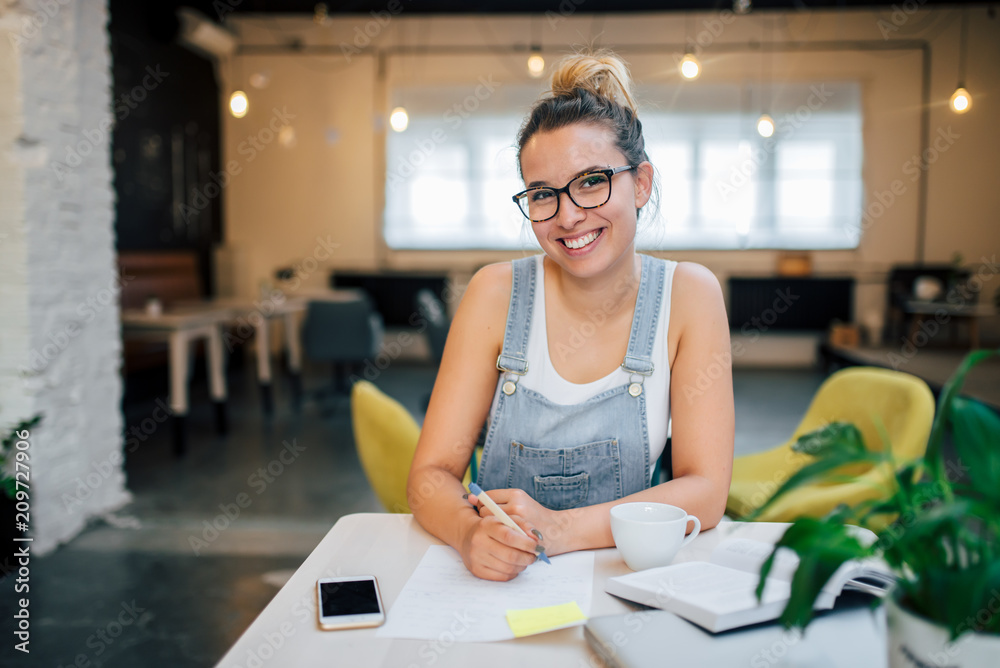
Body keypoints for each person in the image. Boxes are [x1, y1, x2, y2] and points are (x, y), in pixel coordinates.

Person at [407, 50, 734, 582]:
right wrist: (469, 535)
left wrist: (558, 530)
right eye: (543, 194)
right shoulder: (494, 292)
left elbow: (707, 491)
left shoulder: (688, 295)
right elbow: (430, 476)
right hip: (502, 587)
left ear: (642, 183)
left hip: (625, 582)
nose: (568, 216)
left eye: (591, 181)